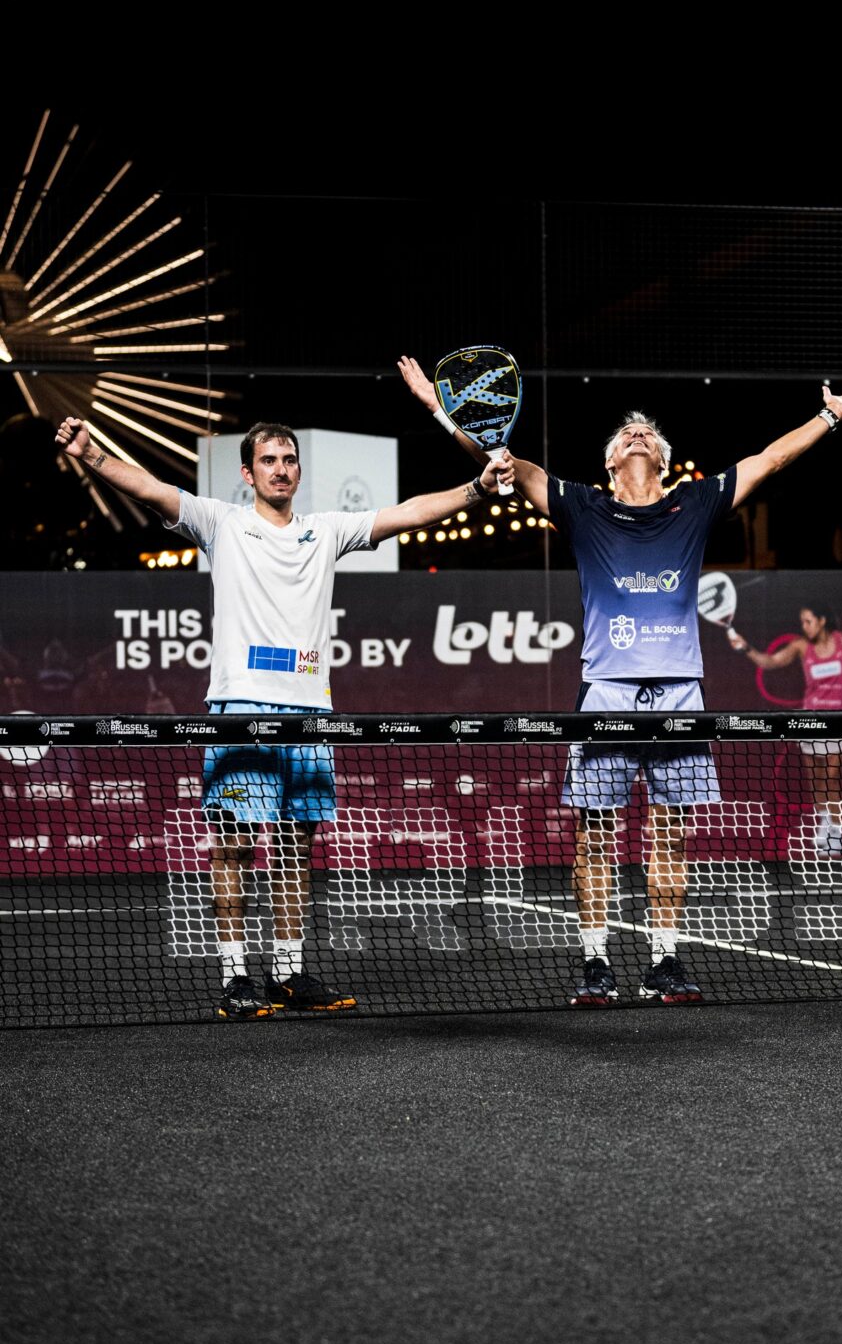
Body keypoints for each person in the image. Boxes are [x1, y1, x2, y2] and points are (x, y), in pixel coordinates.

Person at [398, 356, 842, 1006]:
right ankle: (596, 961)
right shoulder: (582, 507)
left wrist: (829, 416)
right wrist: (440, 409)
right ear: (609, 463)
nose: (636, 433)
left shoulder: (695, 504)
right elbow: (504, 463)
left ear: (663, 458)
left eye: (647, 433)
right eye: (626, 433)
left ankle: (665, 959)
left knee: (671, 834)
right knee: (595, 836)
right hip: (606, 693)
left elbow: (769, 460)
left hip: (681, 693)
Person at [54, 415, 506, 1020]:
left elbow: (407, 514)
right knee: (235, 844)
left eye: (289, 459)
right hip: (241, 710)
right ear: (248, 473)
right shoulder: (221, 523)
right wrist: (92, 456)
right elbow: (153, 490)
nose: (280, 469)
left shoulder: (326, 531)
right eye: (268, 460)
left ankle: (288, 972)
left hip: (309, 712)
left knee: (296, 846)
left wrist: (476, 489)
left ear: (298, 470)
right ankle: (235, 975)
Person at [728, 604, 842, 855]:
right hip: (811, 721)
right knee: (816, 779)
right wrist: (746, 648)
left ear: (822, 620)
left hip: (840, 721)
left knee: (832, 776)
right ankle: (824, 822)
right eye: (802, 622)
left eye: (808, 621)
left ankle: (836, 833)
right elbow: (770, 662)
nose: (804, 627)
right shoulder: (801, 646)